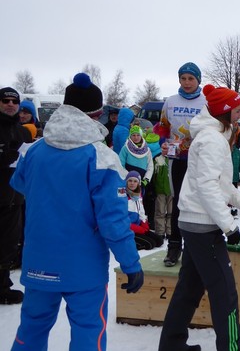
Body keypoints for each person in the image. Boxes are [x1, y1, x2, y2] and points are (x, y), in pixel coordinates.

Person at [9, 73, 143, 350]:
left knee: (31, 329)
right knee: (88, 330)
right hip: (82, 266)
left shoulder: (35, 150)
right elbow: (113, 220)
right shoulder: (102, 157)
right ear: (96, 115)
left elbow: (20, 184)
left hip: (38, 260)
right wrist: (130, 263)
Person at [158, 84, 240, 351]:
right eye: (238, 110)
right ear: (226, 113)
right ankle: (232, 348)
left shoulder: (216, 135)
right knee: (224, 293)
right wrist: (229, 226)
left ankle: (172, 346)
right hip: (203, 225)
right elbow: (206, 186)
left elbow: (220, 183)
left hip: (197, 222)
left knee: (189, 289)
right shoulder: (211, 140)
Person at [154, 62, 206, 266]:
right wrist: (163, 147)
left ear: (198, 80)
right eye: (183, 78)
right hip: (177, 160)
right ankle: (174, 247)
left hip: (200, 161)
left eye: (191, 78)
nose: (186, 82)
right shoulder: (171, 102)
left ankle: (197, 249)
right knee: (177, 203)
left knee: (199, 203)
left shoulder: (206, 102)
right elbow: (163, 130)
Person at [0, 87, 32, 305]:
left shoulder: (22, 132)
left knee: (9, 244)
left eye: (14, 101)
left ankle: (3, 286)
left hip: (15, 198)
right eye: (5, 100)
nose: (10, 104)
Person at [125, 170, 163, 250]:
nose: (132, 183)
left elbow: (141, 213)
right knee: (150, 244)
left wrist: (144, 224)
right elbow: (122, 220)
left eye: (135, 181)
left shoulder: (138, 195)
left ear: (138, 183)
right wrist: (139, 229)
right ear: (126, 182)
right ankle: (126, 245)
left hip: (137, 227)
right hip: (128, 229)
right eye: (130, 181)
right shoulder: (123, 197)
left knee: (159, 241)